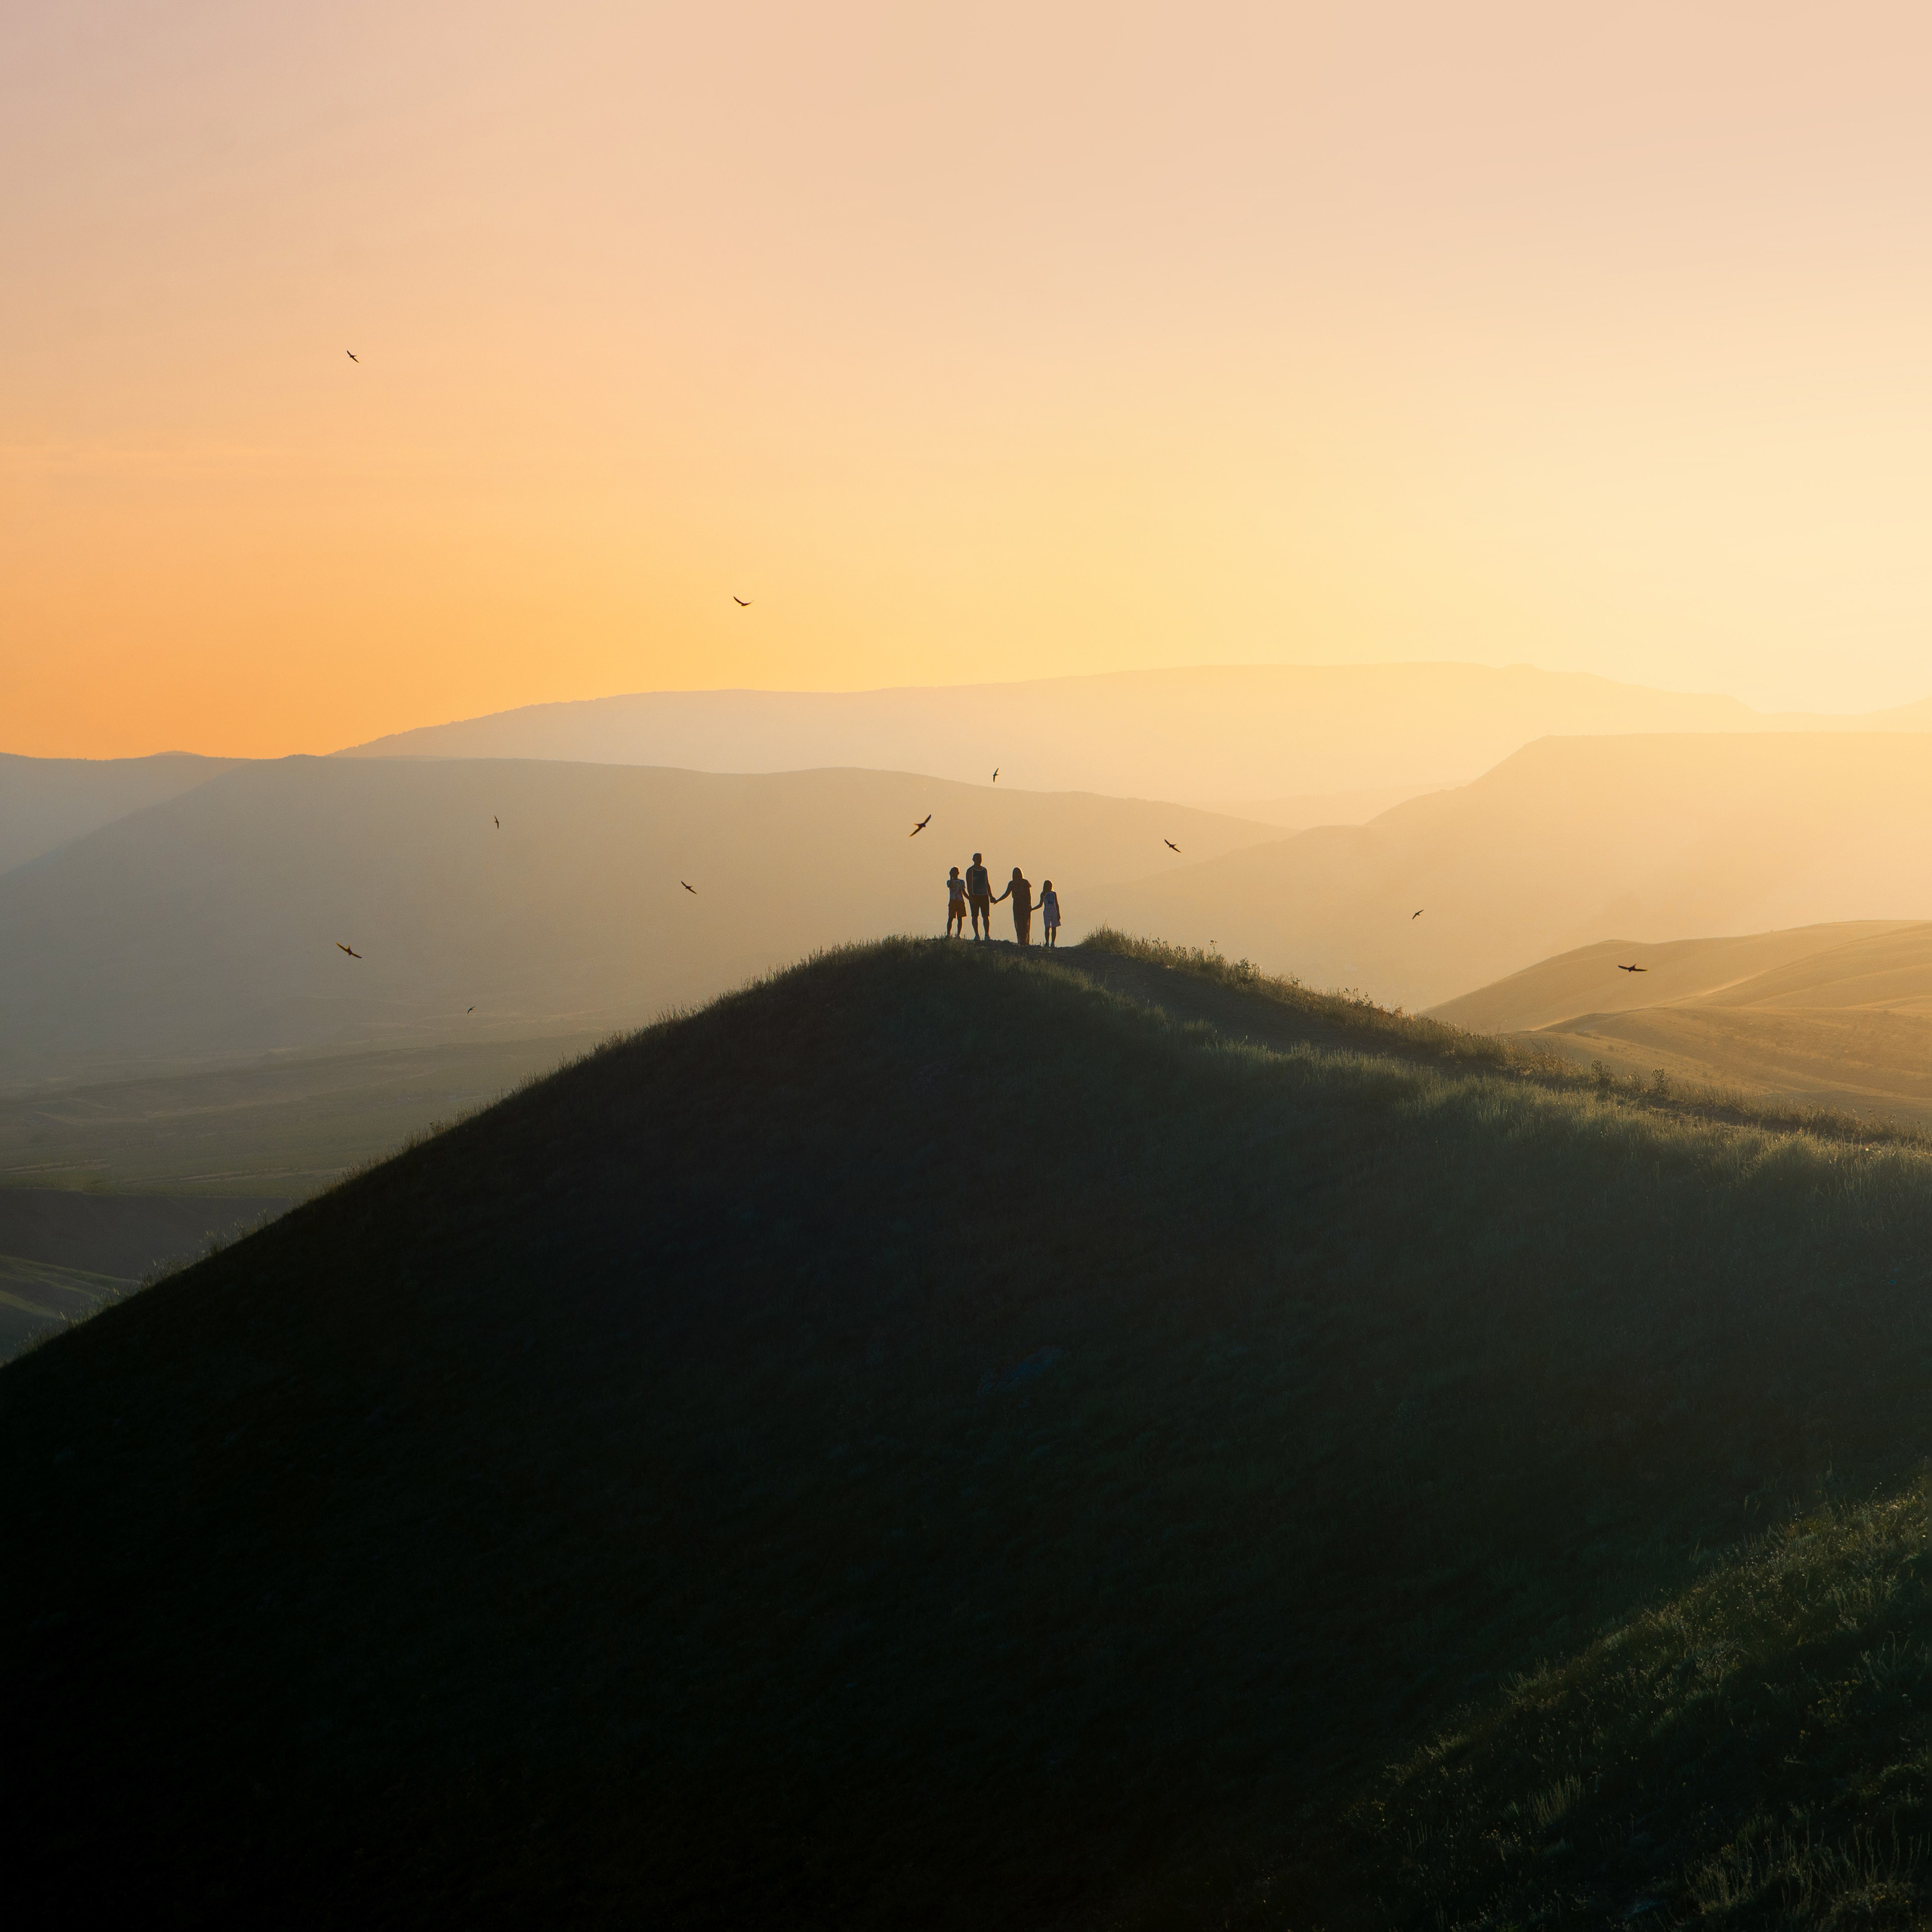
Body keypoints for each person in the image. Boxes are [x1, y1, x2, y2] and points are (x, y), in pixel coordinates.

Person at [992, 865, 1034, 945]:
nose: (1017, 875)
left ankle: (1025, 941)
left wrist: (1029, 905)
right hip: (1017, 905)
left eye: (1018, 873)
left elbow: (1028, 895)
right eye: (1016, 873)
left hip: (1024, 904)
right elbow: (1006, 894)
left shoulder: (1025, 882)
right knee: (1018, 922)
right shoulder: (1011, 883)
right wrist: (998, 900)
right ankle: (1020, 940)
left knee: (1025, 923)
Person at [964, 852, 993, 941]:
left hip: (984, 896)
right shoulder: (970, 870)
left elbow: (987, 883)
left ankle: (987, 934)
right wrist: (971, 897)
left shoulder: (984, 870)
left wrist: (991, 896)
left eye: (980, 858)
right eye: (977, 858)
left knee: (986, 916)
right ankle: (977, 934)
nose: (979, 860)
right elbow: (969, 884)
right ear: (973, 859)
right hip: (975, 896)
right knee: (975, 916)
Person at [946, 865, 968, 938]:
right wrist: (951, 877)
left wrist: (969, 898)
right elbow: (950, 885)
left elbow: (963, 892)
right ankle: (948, 934)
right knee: (951, 918)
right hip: (953, 901)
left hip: (960, 901)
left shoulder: (961, 882)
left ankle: (958, 934)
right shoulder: (949, 881)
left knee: (960, 918)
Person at [1039, 879, 1060, 946]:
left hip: (1054, 911)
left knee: (1054, 927)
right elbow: (1040, 904)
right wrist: (1032, 909)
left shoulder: (1054, 893)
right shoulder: (1043, 894)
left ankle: (1053, 942)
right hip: (1047, 911)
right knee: (1047, 927)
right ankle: (1047, 942)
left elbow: (1056, 904)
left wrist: (1058, 913)